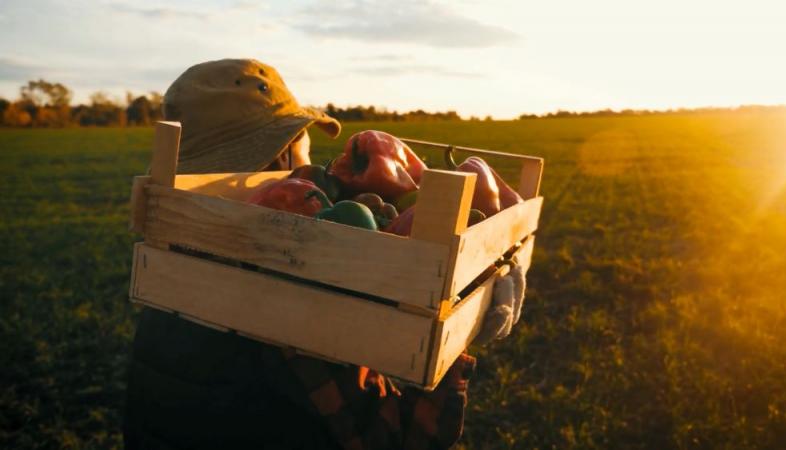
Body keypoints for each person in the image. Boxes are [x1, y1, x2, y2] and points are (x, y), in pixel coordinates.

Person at [123, 59, 529, 450]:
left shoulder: (175, 256)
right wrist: (462, 326)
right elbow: (407, 437)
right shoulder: (287, 301)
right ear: (283, 158)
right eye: (306, 147)